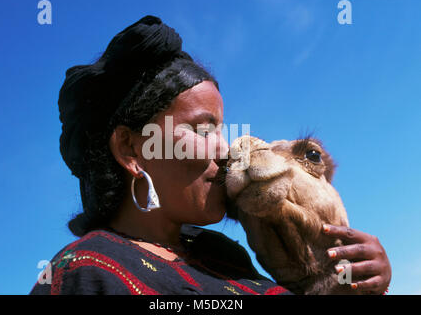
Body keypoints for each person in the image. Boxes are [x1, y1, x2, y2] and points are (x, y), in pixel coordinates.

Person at [30, 15, 391, 295]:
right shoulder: (87, 273)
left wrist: (354, 279)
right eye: (203, 131)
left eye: (221, 130)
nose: (225, 148)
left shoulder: (225, 257)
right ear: (130, 149)